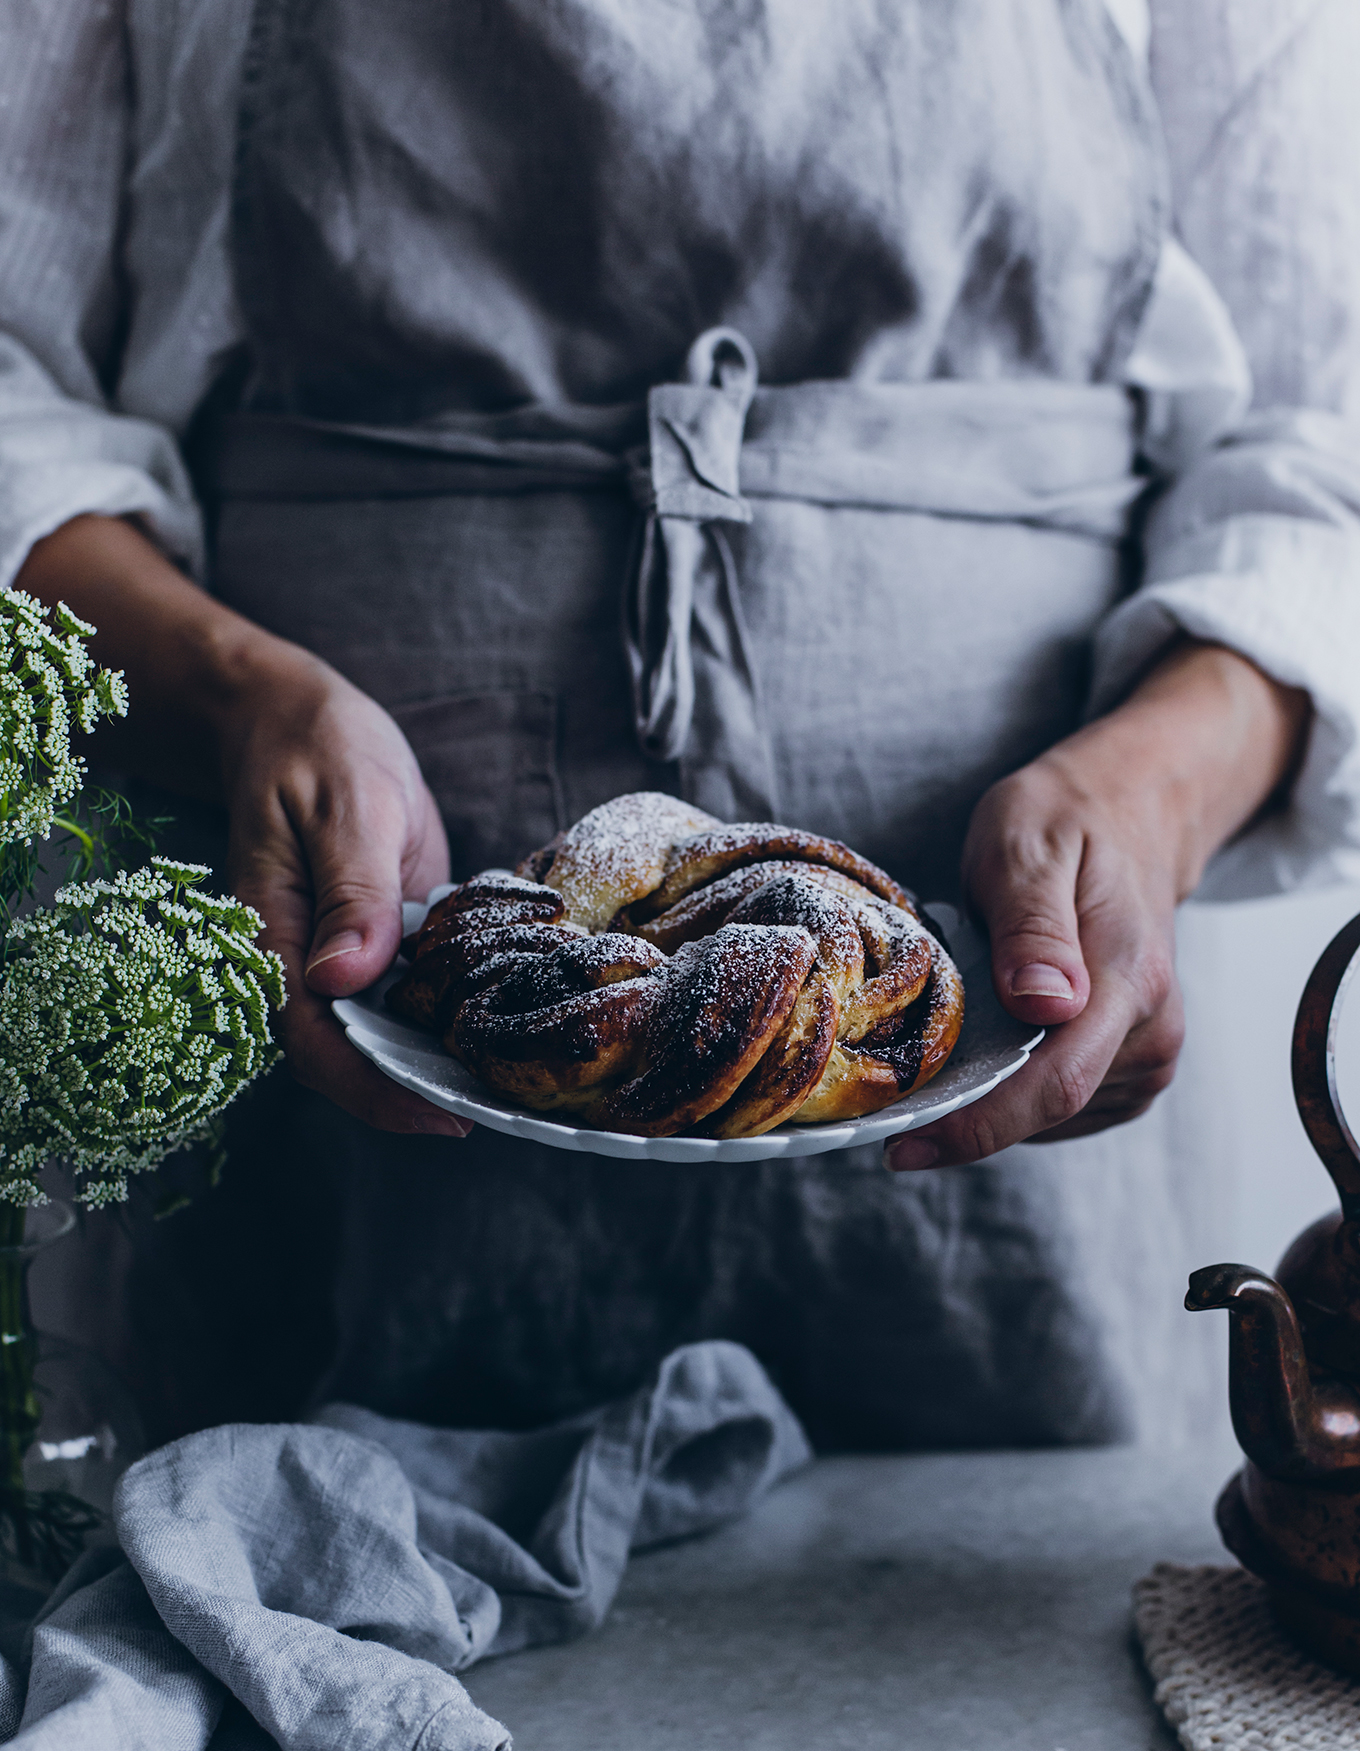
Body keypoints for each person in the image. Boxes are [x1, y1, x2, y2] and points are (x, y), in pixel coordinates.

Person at [2, 0, 1358, 1449]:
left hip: (1001, 1063)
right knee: (280, 1579)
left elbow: (1321, 431)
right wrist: (235, 699)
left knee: (975, 1638)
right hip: (332, 1014)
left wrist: (1155, 787)